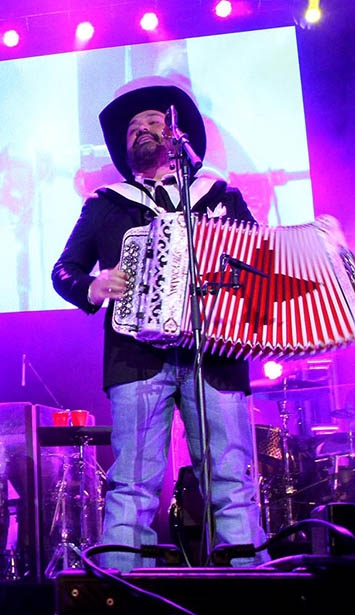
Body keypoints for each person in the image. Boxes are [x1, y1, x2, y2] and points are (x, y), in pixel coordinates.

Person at [51, 78, 269, 572]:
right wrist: (93, 286)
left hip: (214, 354)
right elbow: (64, 270)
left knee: (231, 478)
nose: (143, 130)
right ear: (124, 149)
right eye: (132, 128)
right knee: (131, 480)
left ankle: (254, 594)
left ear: (177, 137)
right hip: (136, 357)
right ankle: (123, 599)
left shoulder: (221, 197)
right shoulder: (106, 203)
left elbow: (264, 260)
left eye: (153, 122)